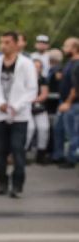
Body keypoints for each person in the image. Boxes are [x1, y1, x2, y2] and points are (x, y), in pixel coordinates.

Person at [0, 32, 38, 197]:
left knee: (17, 148)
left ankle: (17, 183)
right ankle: (1, 181)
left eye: (7, 42)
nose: (3, 46)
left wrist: (16, 105)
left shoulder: (26, 64)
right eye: (1, 42)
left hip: (19, 115)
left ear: (15, 44)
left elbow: (31, 89)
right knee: (0, 150)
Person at [52, 38, 78, 167]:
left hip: (72, 103)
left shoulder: (77, 64)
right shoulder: (69, 63)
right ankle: (58, 155)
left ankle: (72, 159)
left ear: (74, 48)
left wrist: (68, 102)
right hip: (64, 101)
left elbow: (76, 87)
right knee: (59, 129)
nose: (63, 48)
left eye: (66, 46)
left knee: (72, 131)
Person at [27, 58, 51, 164]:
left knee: (43, 128)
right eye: (34, 66)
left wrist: (34, 99)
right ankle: (21, 153)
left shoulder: (43, 79)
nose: (36, 69)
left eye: (38, 67)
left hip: (39, 108)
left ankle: (41, 154)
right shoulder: (25, 79)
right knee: (29, 128)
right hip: (27, 108)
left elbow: (44, 94)